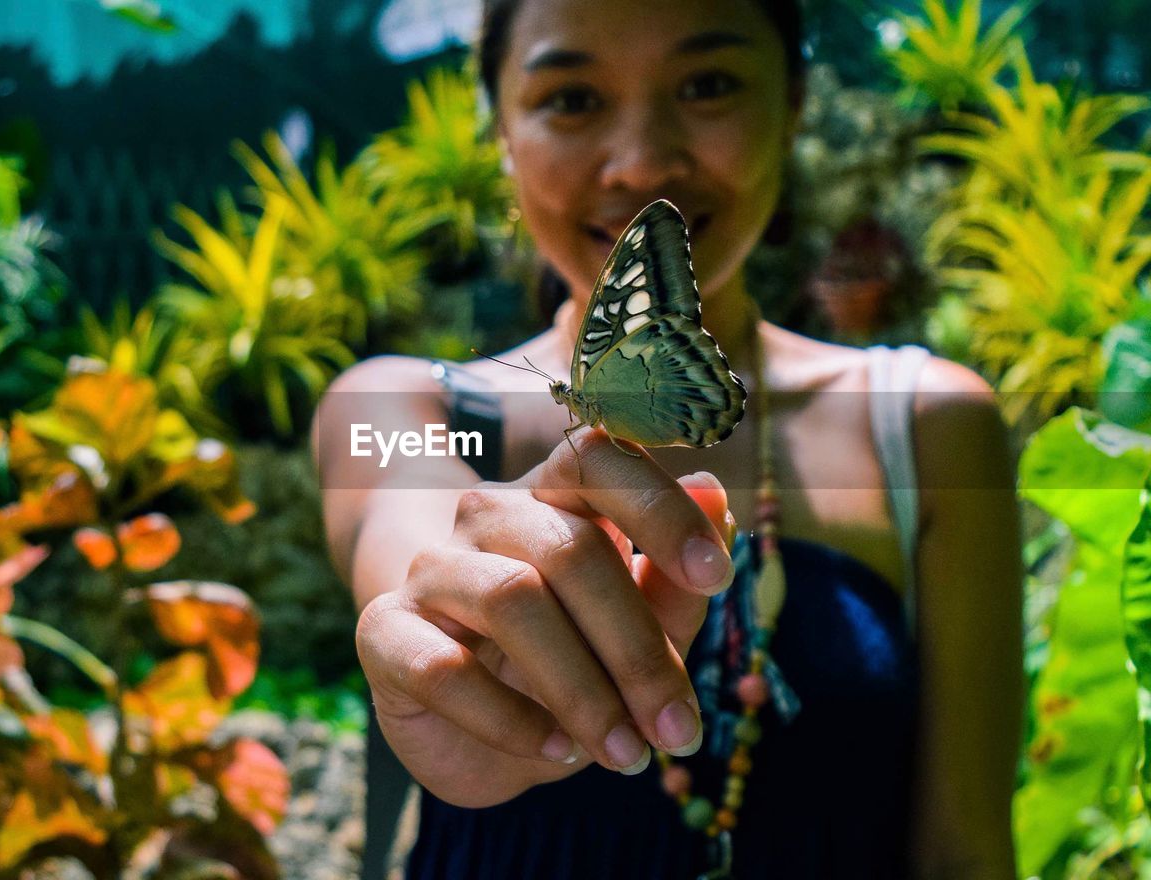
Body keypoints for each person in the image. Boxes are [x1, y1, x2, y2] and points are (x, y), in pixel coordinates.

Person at [316, 0, 1023, 876]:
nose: (644, 161)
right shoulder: (397, 406)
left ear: (794, 102)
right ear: (499, 127)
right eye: (572, 98)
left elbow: (966, 855)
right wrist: (446, 645)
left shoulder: (926, 426)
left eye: (708, 84)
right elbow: (408, 541)